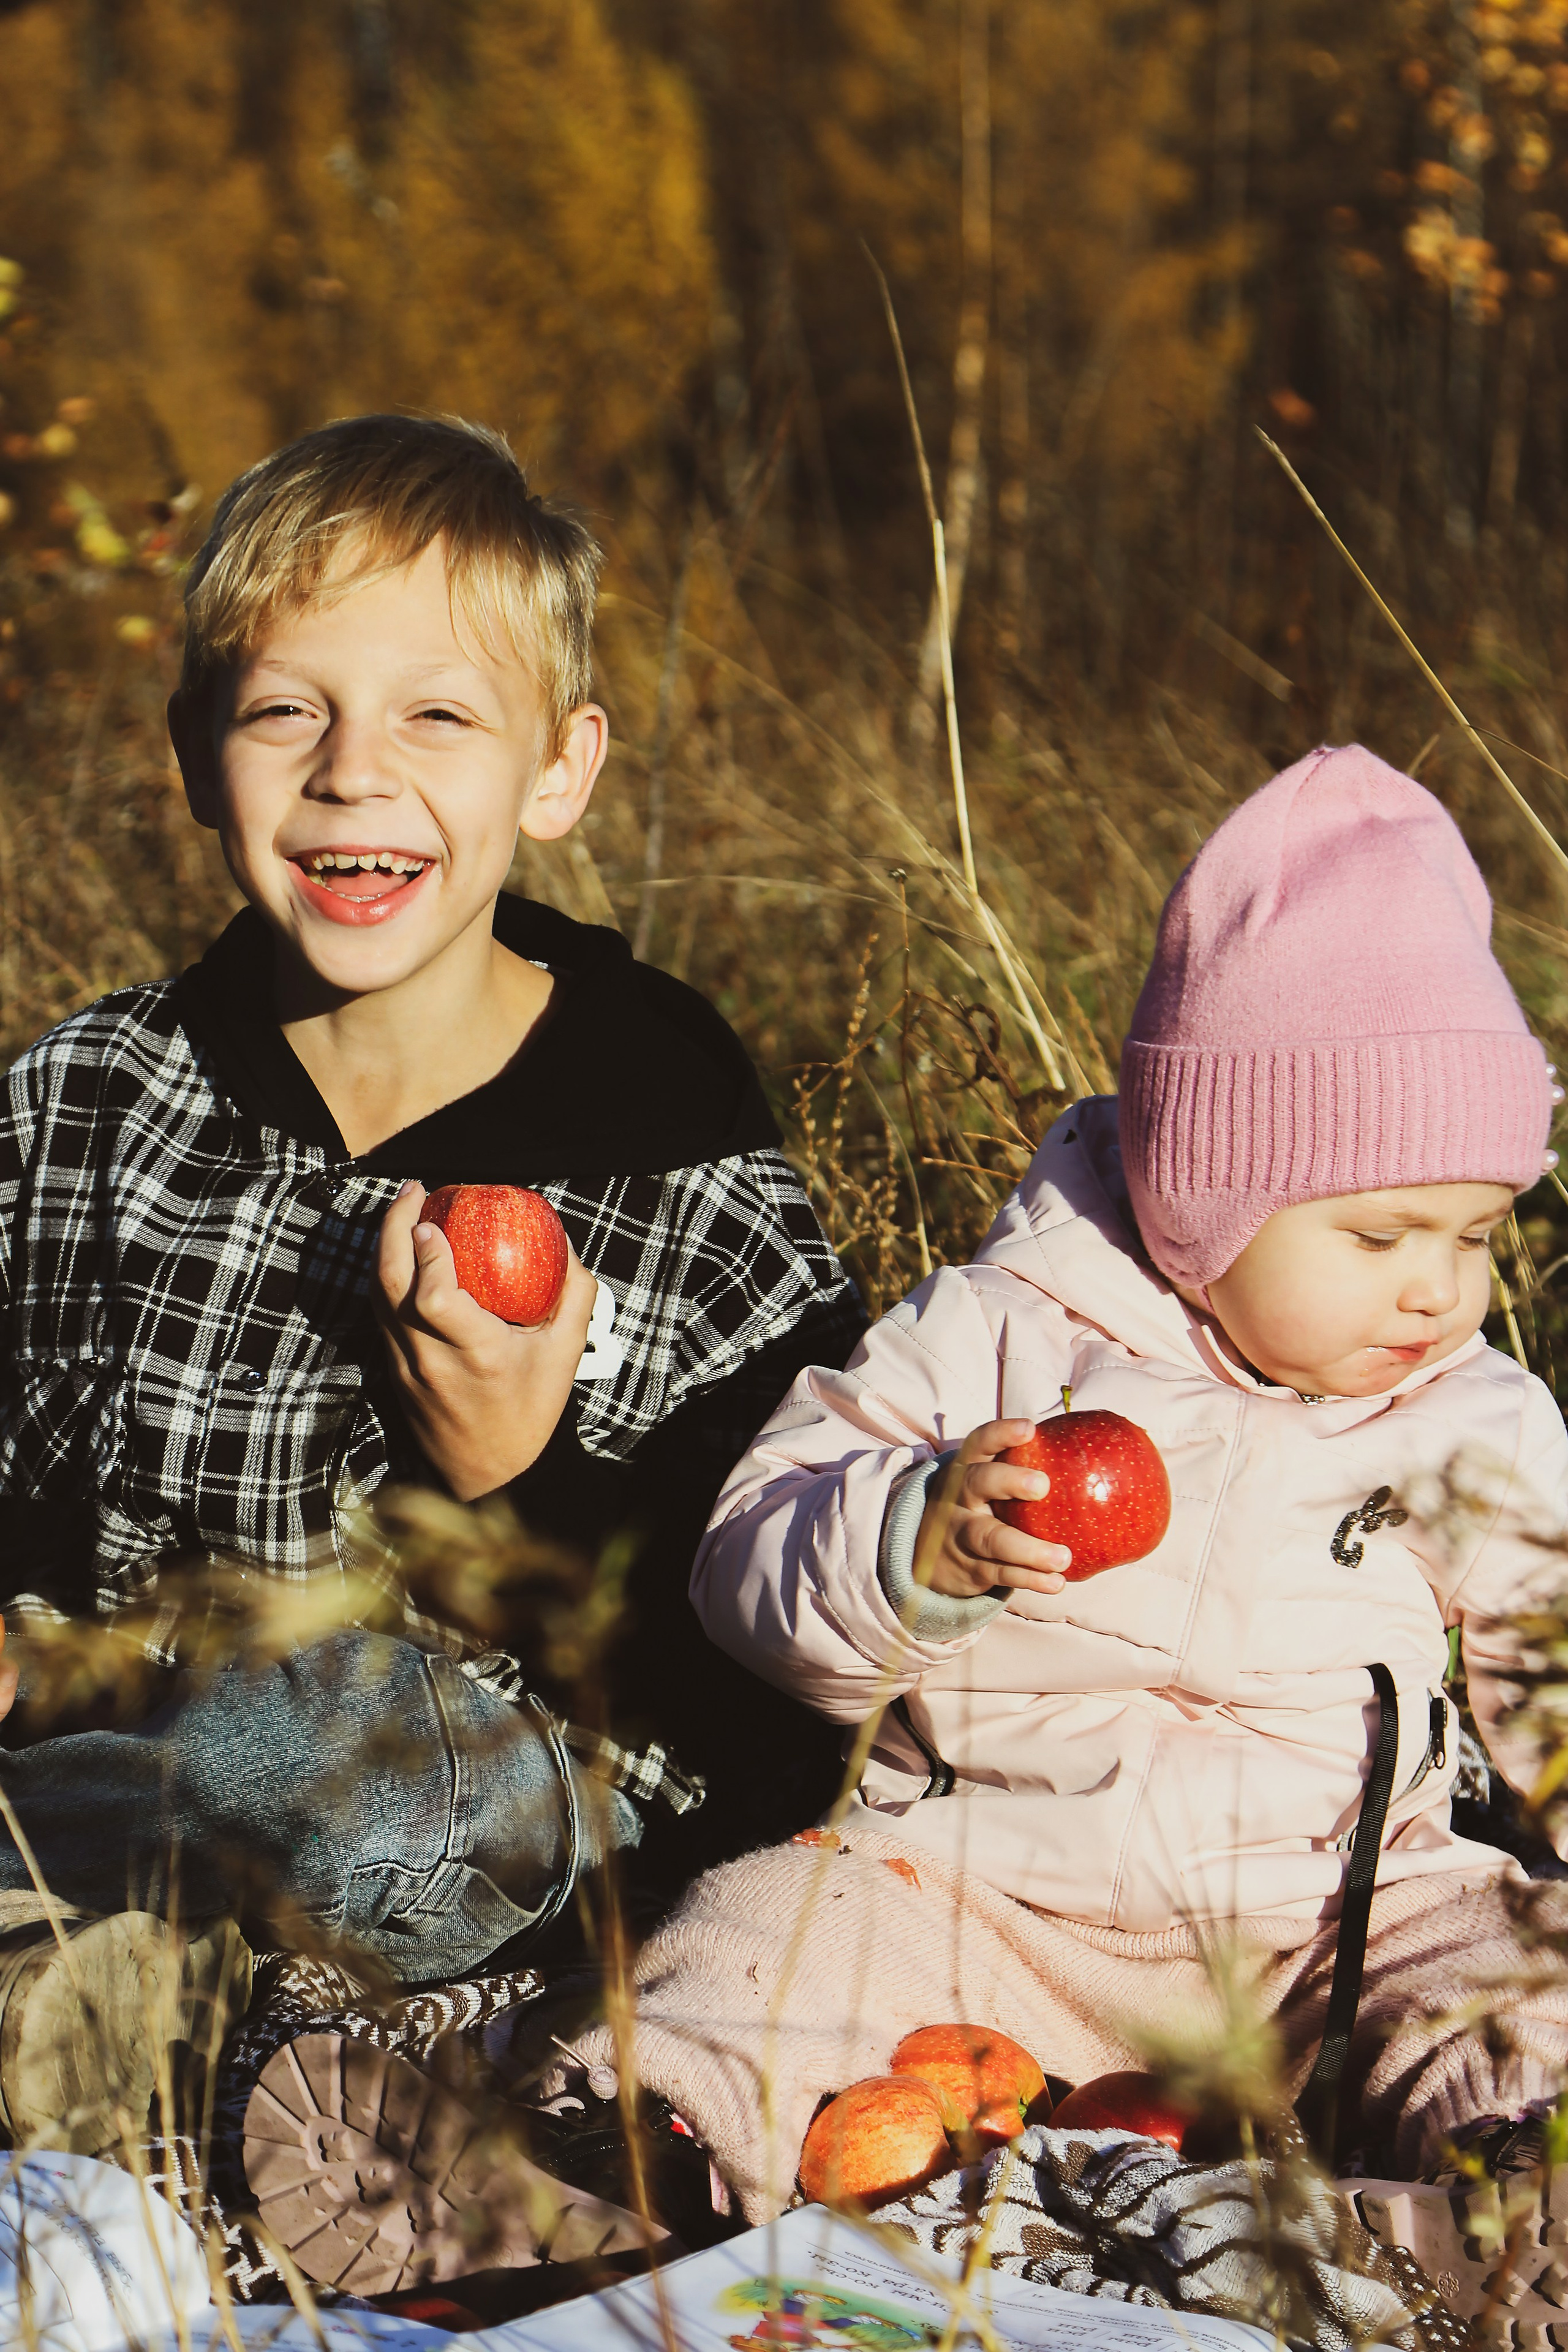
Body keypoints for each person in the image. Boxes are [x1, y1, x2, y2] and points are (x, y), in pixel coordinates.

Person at [0, 413, 862, 2154]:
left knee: (358, 1766)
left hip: (460, 1798)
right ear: (195, 754)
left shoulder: (668, 1154)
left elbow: (777, 1672)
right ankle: (136, 1995)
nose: (350, 774)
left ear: (560, 770)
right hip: (102, 1726)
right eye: (283, 711)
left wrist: (518, 1464)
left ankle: (141, 1960)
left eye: (437, 716)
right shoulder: (86, 1102)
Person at [572, 744, 1568, 2218]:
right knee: (767, 1926)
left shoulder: (1474, 1420)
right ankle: (627, 2156)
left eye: (1476, 1235)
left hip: (1322, 1936)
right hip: (982, 1897)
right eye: (1376, 1236)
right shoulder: (1000, 1331)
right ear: (1204, 1195)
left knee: (1509, 1964)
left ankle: (1512, 2185)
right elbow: (750, 1564)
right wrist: (916, 1541)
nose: (1434, 1288)